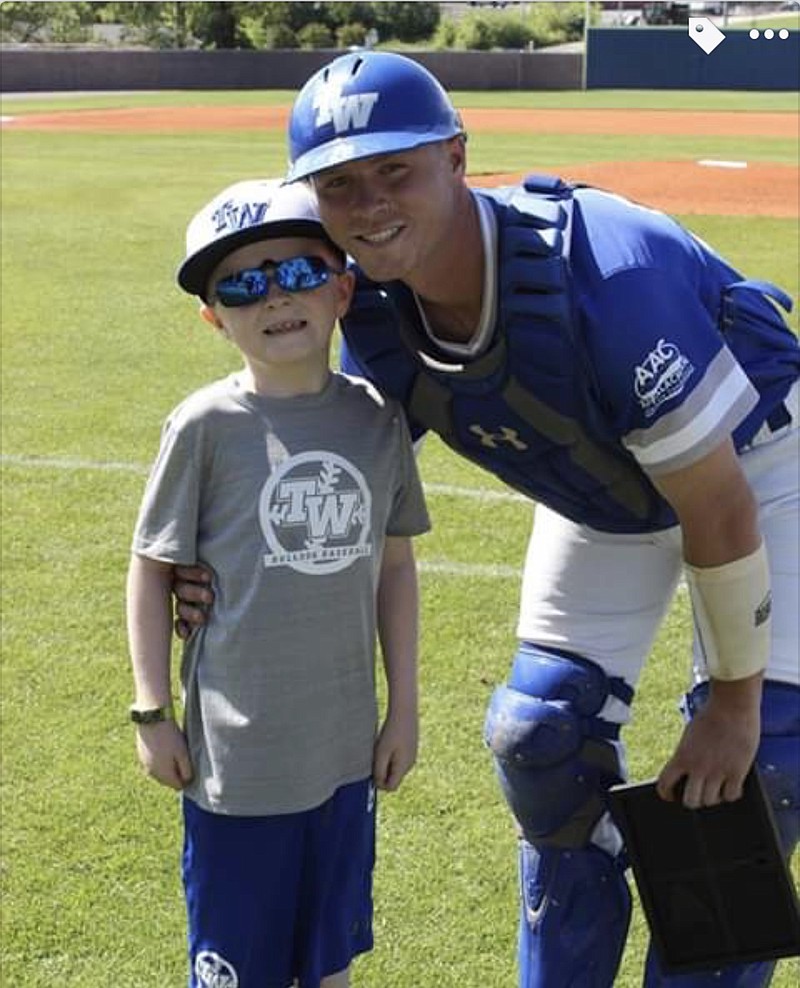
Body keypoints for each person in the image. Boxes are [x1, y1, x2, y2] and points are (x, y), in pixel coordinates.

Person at [174, 53, 800, 988]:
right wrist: (218, 563)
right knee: (540, 734)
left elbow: (716, 501)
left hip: (762, 467)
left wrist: (736, 706)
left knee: (757, 767)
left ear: (458, 155)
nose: (372, 203)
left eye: (396, 170)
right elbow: (347, 486)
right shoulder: (375, 312)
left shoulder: (606, 271)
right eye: (340, 184)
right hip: (607, 493)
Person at [127, 176, 430, 988]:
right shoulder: (203, 427)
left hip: (341, 757)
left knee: (327, 964)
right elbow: (152, 568)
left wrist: (403, 709)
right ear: (212, 315)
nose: (275, 298)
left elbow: (394, 567)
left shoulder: (375, 419)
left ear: (340, 288)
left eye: (296, 272)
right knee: (238, 970)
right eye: (243, 285)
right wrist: (152, 712)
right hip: (238, 769)